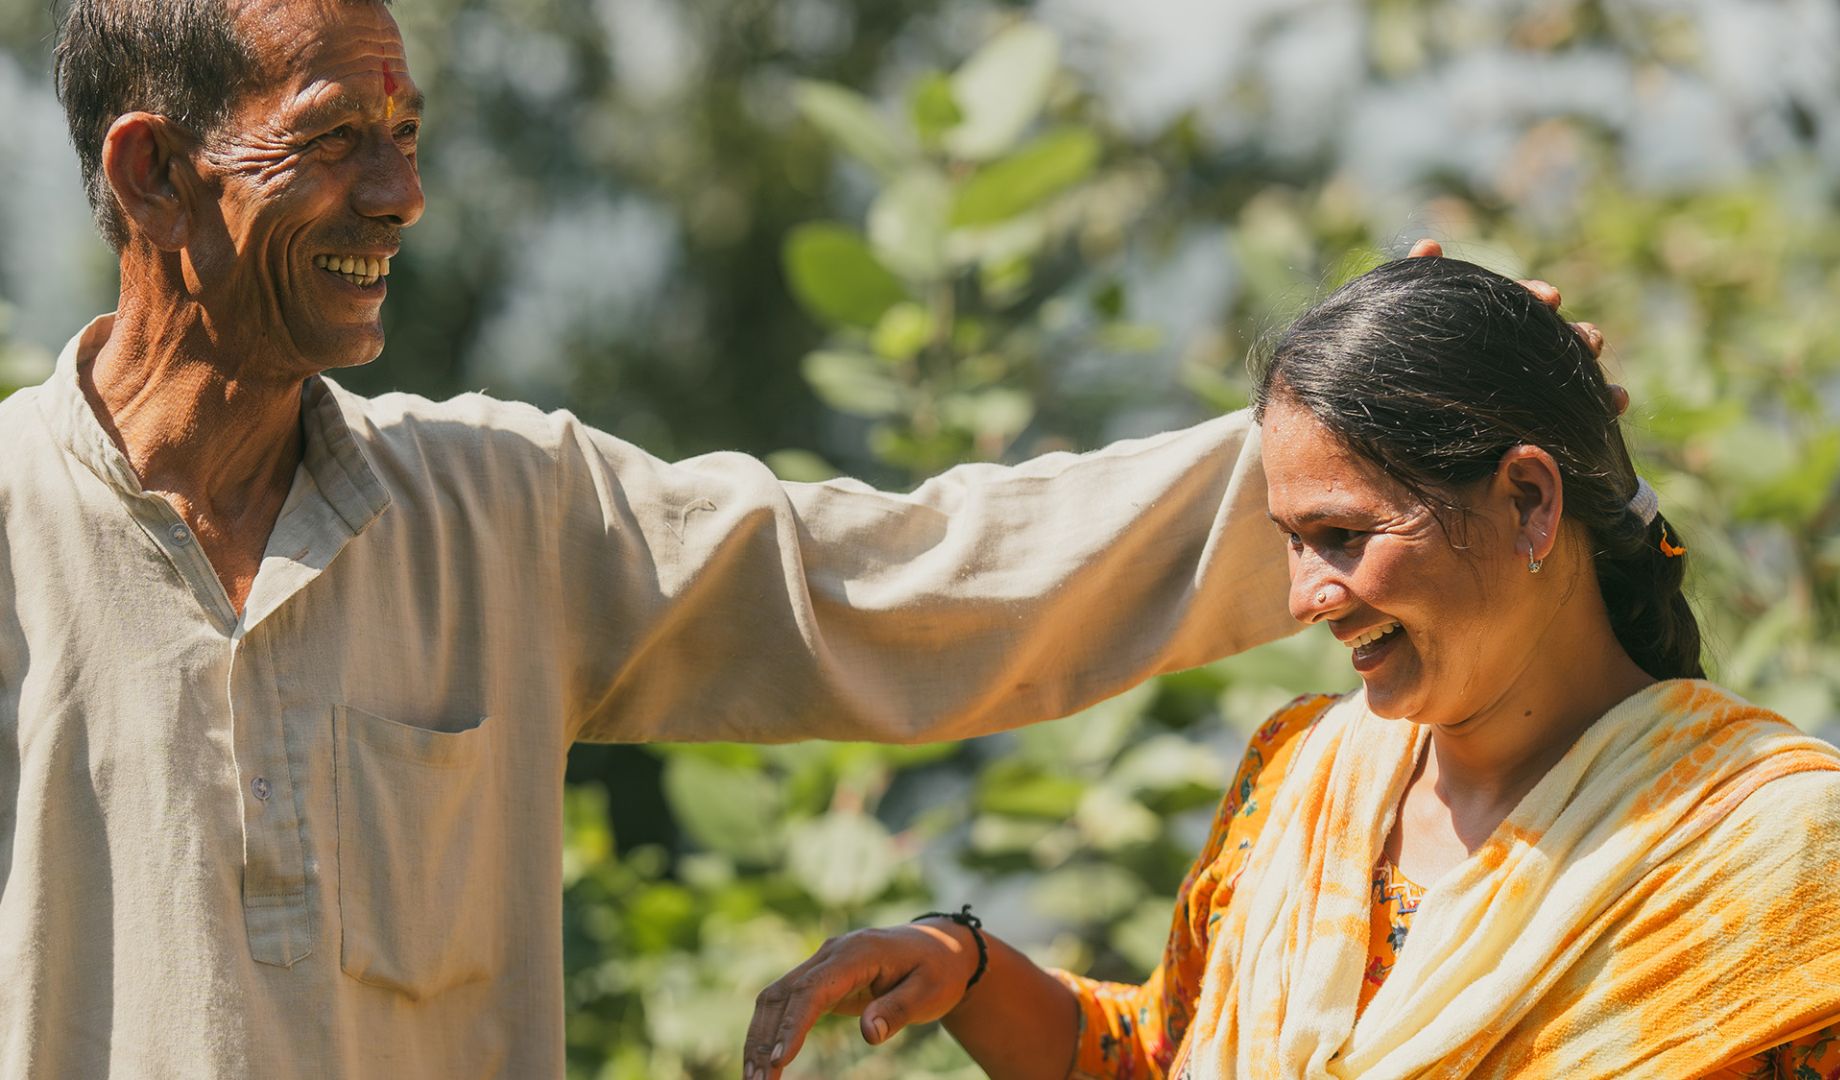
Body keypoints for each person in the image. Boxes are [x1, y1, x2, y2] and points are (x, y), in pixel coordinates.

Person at [0, 0, 1609, 1074]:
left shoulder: (497, 510)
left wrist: (1349, 461)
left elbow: (902, 583)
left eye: (408, 131)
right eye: (336, 135)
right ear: (154, 175)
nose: (402, 191)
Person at [741, 257, 1840, 1079]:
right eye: (1292, 544)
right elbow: (1169, 1052)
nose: (1308, 596)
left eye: (1345, 536)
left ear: (1528, 501)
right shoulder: (1301, 779)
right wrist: (965, 965)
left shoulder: (1774, 855)